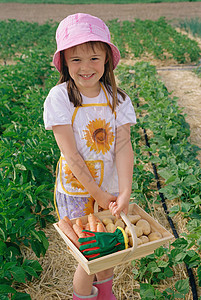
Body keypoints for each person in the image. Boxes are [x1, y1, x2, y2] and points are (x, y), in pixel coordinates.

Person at [43, 13, 136, 300]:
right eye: (76, 60)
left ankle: (105, 295)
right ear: (65, 63)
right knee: (89, 255)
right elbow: (70, 155)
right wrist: (97, 193)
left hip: (107, 190)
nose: (86, 67)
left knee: (107, 251)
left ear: (107, 58)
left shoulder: (117, 99)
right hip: (77, 191)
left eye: (94, 58)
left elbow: (123, 147)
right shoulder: (59, 98)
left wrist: (123, 191)